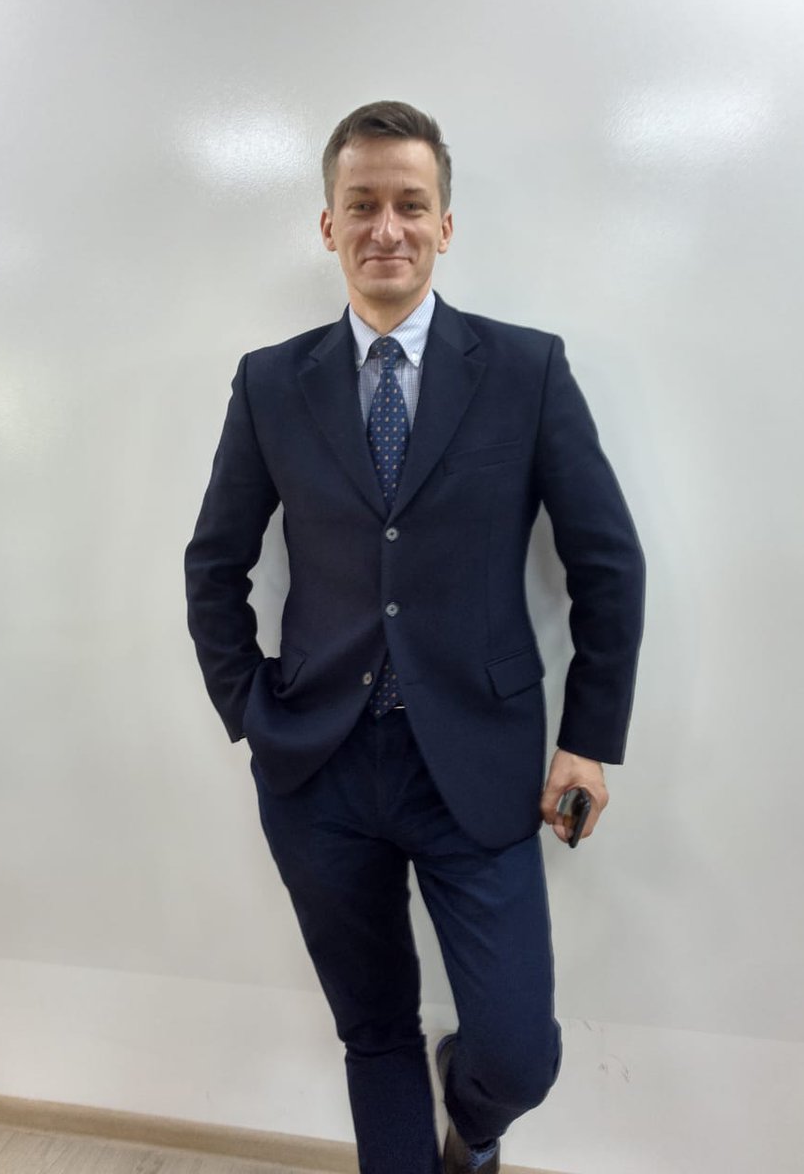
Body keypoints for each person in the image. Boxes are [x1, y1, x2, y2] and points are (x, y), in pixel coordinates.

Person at [184, 101, 645, 1174]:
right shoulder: (270, 382)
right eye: (362, 205)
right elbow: (214, 565)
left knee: (518, 1053)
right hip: (318, 765)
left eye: (409, 204)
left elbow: (607, 564)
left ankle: (471, 1126)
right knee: (374, 1028)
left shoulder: (525, 370)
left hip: (475, 764)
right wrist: (251, 711)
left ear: (444, 224)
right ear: (328, 225)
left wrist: (588, 741)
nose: (385, 227)